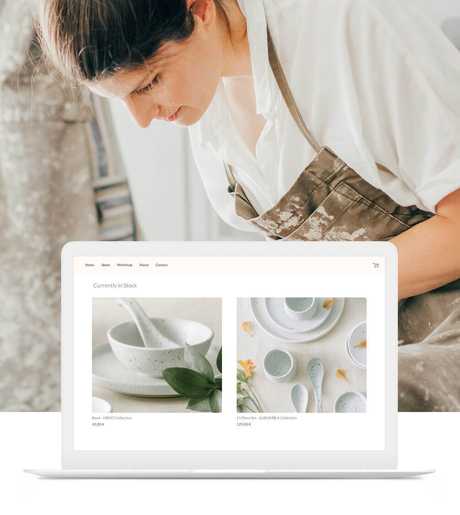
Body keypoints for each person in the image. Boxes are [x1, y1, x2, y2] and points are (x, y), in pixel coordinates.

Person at [39, 0, 460, 410]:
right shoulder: (207, 95)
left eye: (149, 83)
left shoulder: (352, 30)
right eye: (120, 99)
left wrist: (326, 279)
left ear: (199, 8)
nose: (143, 118)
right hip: (356, 329)